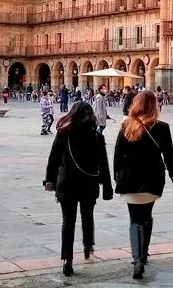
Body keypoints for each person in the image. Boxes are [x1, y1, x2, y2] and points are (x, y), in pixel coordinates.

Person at [114, 90, 173, 280]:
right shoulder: (161, 127)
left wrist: (116, 176)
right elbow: (169, 154)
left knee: (134, 219)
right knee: (146, 216)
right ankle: (143, 255)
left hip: (129, 180)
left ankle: (137, 261)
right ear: (154, 105)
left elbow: (118, 154)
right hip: (152, 179)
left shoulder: (127, 125)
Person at [44, 102, 113, 277]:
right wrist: (107, 187)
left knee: (68, 221)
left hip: (67, 184)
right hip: (89, 184)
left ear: (72, 114)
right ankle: (88, 246)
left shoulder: (63, 134)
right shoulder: (96, 136)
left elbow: (53, 159)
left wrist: (50, 181)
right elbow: (103, 164)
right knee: (87, 216)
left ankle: (67, 259)